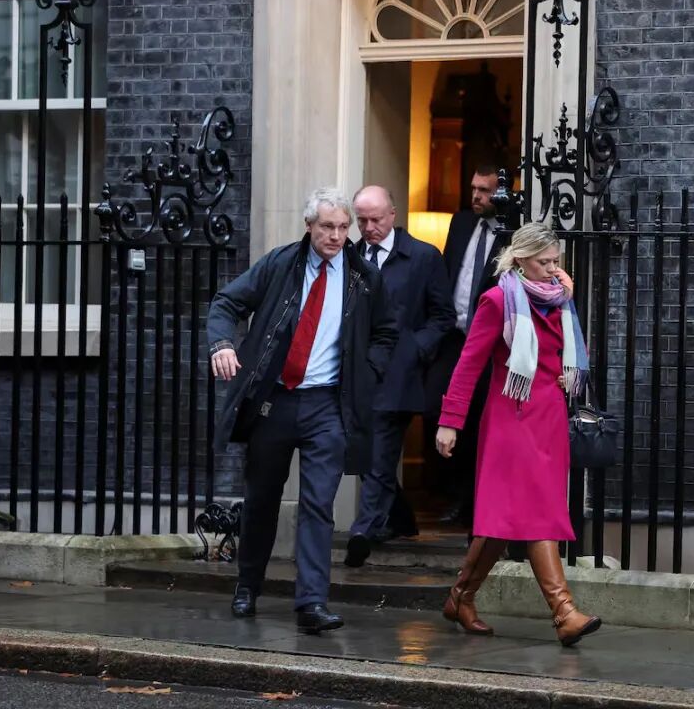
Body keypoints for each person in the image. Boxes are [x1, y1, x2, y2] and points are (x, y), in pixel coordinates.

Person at [208, 187, 397, 633]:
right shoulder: (280, 264)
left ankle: (311, 602)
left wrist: (367, 371)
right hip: (274, 400)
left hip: (327, 404)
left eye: (343, 228)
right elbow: (226, 302)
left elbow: (386, 333)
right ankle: (247, 585)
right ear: (309, 226)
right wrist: (222, 344)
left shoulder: (363, 277)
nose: (336, 236)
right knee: (261, 499)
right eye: (327, 227)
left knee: (318, 504)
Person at [435, 222, 601, 647]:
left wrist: (566, 372)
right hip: (511, 419)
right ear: (521, 259)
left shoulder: (559, 300)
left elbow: (570, 356)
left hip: (548, 422)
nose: (552, 269)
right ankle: (564, 612)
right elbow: (469, 364)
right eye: (544, 262)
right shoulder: (497, 301)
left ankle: (460, 597)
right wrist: (450, 421)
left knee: (505, 519)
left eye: (556, 262)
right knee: (536, 512)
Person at [343, 186, 456, 568]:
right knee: (360, 450)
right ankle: (401, 517)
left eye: (375, 219)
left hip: (398, 372)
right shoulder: (349, 256)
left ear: (393, 214)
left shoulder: (423, 256)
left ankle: (363, 531)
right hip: (358, 371)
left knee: (380, 453)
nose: (368, 227)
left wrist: (414, 348)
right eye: (361, 220)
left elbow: (443, 316)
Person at [424, 165, 509, 529]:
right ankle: (448, 491)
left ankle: (473, 503)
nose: (476, 196)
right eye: (474, 188)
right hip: (453, 338)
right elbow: (448, 271)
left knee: (478, 421)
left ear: (501, 193)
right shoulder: (460, 223)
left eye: (485, 190)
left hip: (488, 345)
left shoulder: (512, 231)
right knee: (433, 407)